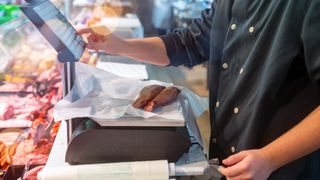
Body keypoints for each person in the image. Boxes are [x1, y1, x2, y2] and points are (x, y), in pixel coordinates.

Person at [77, 0, 320, 179]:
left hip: (282, 167)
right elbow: (188, 44)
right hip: (229, 156)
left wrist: (270, 158)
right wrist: (118, 46)